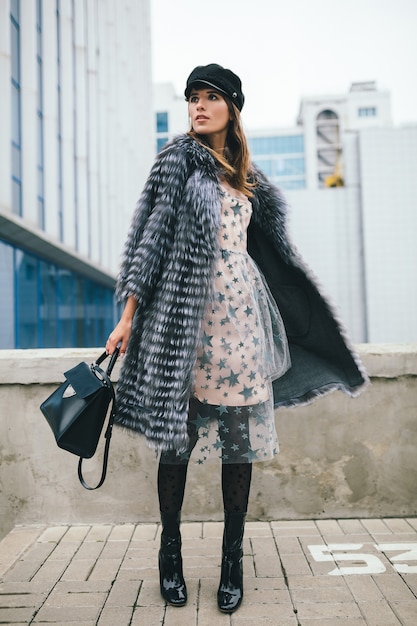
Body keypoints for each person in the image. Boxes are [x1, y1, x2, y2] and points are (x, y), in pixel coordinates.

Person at [106, 63, 368, 613]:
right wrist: (128, 316)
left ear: (232, 107)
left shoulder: (246, 176)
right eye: (192, 98)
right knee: (175, 443)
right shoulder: (177, 163)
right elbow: (149, 244)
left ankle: (232, 560)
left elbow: (269, 254)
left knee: (238, 447)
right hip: (186, 326)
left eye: (210, 98)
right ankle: (170, 556)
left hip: (241, 325)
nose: (198, 107)